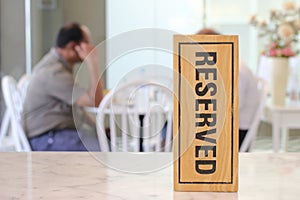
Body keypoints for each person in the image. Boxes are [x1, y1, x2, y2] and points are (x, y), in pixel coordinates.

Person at [23, 22, 104, 151]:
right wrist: (92, 62)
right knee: (102, 153)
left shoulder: (58, 65)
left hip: (55, 134)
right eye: (87, 43)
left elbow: (79, 110)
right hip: (46, 138)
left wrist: (100, 131)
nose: (91, 48)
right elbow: (95, 101)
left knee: (105, 146)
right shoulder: (54, 72)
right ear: (73, 46)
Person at [197, 28, 260, 151]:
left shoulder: (234, 67)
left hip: (237, 132)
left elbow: (233, 106)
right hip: (232, 127)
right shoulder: (229, 63)